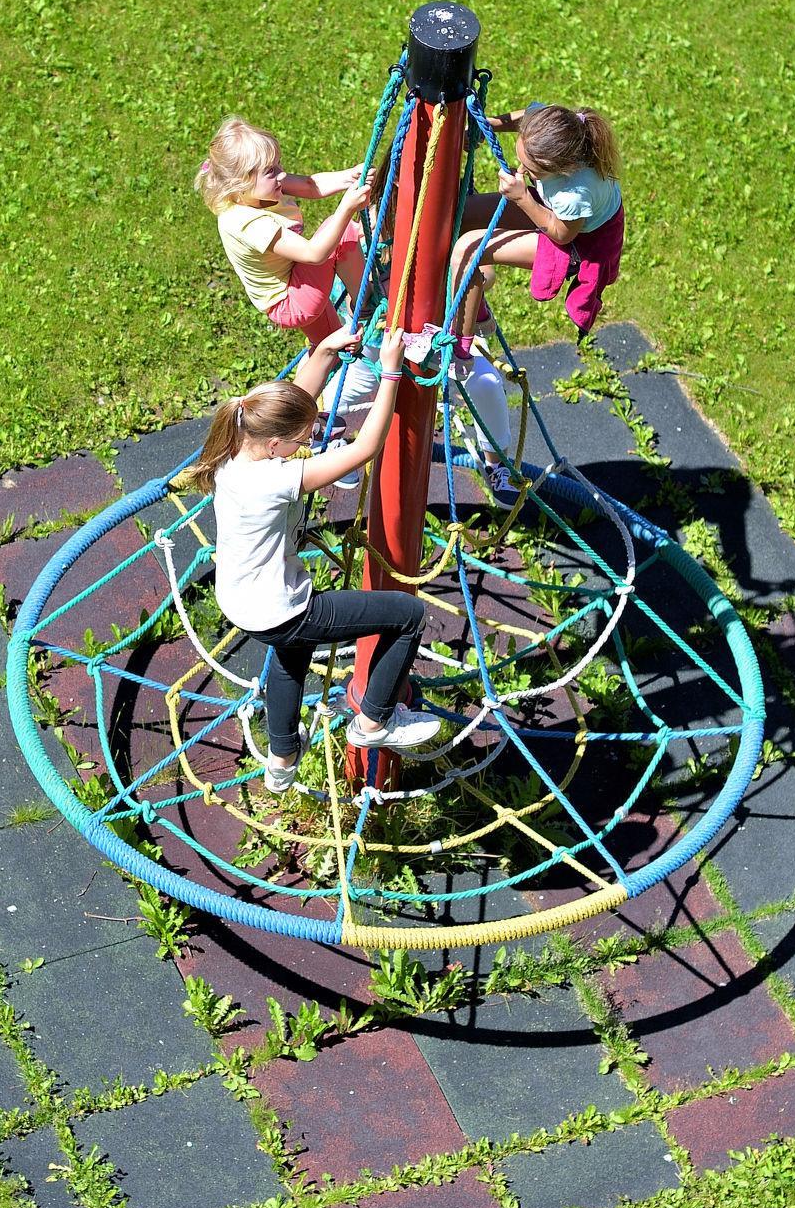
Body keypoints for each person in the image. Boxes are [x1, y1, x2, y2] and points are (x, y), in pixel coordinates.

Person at [184, 324, 444, 793]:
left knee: (291, 658)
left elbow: (293, 403)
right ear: (275, 446)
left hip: (241, 603)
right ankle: (375, 722)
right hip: (285, 609)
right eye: (303, 435)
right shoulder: (274, 479)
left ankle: (282, 756)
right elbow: (365, 448)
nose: (310, 437)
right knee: (408, 615)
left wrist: (325, 349)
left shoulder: (234, 448)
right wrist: (390, 374)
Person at [196, 116, 378, 359]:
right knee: (343, 232)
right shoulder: (247, 223)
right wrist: (346, 209)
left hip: (291, 284)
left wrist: (349, 177)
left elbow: (310, 185)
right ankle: (365, 302)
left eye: (278, 164)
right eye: (271, 171)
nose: (282, 175)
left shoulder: (258, 189)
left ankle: (323, 367)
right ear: (240, 183)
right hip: (291, 301)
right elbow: (314, 254)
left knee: (331, 347)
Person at [449, 102, 624, 343]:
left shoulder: (574, 193)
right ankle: (477, 312)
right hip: (554, 211)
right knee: (462, 216)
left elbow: (561, 234)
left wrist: (522, 198)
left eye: (530, 169)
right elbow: (525, 119)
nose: (521, 169)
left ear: (558, 168)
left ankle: (458, 348)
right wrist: (487, 125)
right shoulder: (553, 128)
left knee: (467, 250)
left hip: (576, 242)